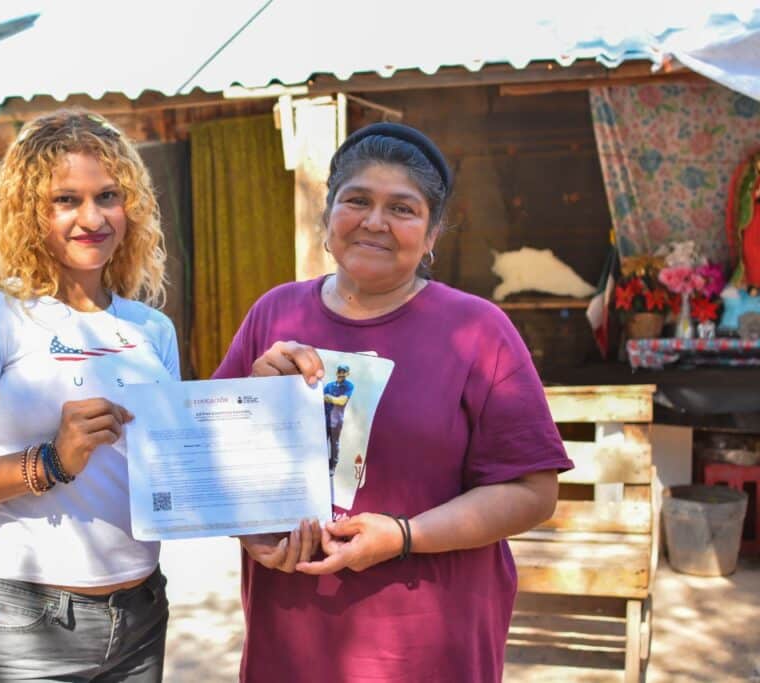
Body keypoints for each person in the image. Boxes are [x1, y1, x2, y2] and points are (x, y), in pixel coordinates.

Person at [214, 122, 573, 682]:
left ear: (431, 237)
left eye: (402, 209)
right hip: (292, 640)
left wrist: (404, 536)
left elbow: (534, 492)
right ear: (328, 216)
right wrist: (248, 525)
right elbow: (204, 462)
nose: (375, 221)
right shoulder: (274, 315)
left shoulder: (479, 331)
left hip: (427, 644)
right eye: (356, 200)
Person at [0, 110, 179, 682]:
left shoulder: (151, 330)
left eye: (108, 196)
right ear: (30, 213)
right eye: (65, 201)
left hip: (141, 614)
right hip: (25, 625)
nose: (92, 218)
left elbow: (165, 474)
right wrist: (49, 462)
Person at [323, 363, 354, 474]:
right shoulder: (329, 385)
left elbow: (342, 401)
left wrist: (329, 398)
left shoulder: (349, 386)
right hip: (325, 419)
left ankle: (333, 466)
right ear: (337, 372)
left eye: (344, 372)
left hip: (336, 421)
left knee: (334, 443)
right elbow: (320, 398)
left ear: (347, 373)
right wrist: (332, 399)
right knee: (322, 442)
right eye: (340, 371)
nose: (341, 374)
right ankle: (321, 463)